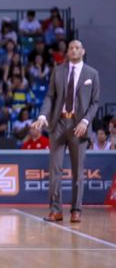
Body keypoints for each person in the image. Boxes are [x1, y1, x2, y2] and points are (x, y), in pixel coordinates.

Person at [32, 40, 100, 223]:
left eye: (77, 47)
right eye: (71, 48)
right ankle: (56, 210)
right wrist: (42, 116)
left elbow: (95, 103)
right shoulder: (58, 70)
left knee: (78, 171)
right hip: (58, 123)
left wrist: (85, 121)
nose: (74, 50)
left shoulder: (92, 74)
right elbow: (50, 96)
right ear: (67, 51)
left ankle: (76, 210)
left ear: (83, 51)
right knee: (55, 169)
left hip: (79, 126)